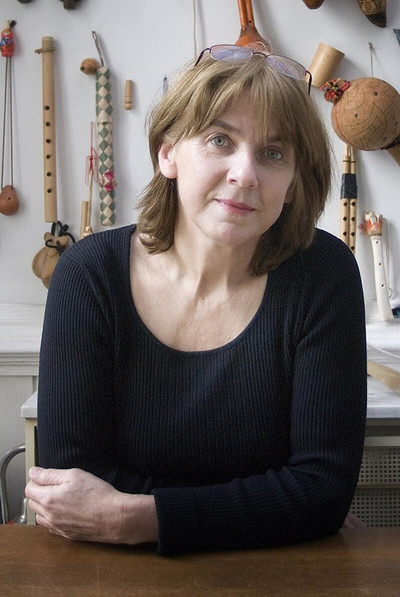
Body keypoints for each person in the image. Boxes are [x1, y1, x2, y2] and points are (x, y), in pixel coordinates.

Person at [26, 43, 367, 555]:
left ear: (294, 183)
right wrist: (272, 509)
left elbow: (322, 492)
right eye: (219, 140)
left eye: (273, 153)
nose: (245, 173)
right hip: (113, 572)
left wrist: (138, 516)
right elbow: (71, 483)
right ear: (168, 153)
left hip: (273, 574)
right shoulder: (89, 276)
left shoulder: (324, 275)